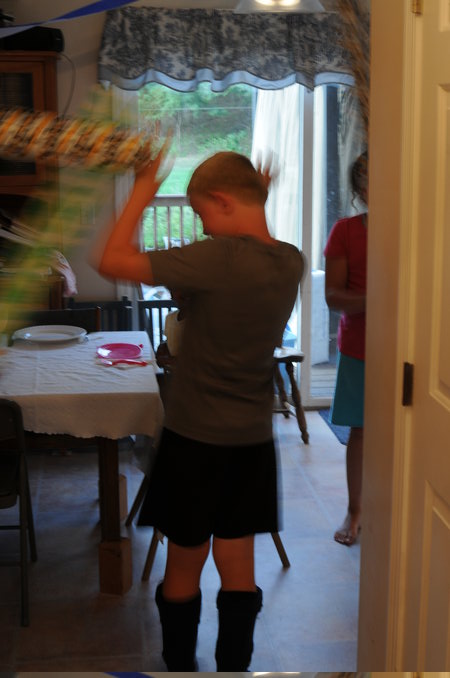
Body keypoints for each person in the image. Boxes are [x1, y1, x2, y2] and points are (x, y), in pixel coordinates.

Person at [96, 148, 305, 671]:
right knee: (238, 562)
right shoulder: (290, 261)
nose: (202, 225)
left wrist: (144, 187)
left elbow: (111, 260)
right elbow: (253, 230)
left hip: (194, 441)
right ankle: (233, 668)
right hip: (252, 442)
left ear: (222, 201)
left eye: (201, 212)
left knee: (185, 561)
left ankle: (180, 669)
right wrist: (255, 193)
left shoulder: (216, 259)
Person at [324, 151, 367, 547]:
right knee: (361, 430)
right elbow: (333, 297)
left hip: (413, 351)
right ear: (359, 188)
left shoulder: (417, 228)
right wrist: (379, 300)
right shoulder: (346, 231)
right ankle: (355, 510)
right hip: (361, 348)